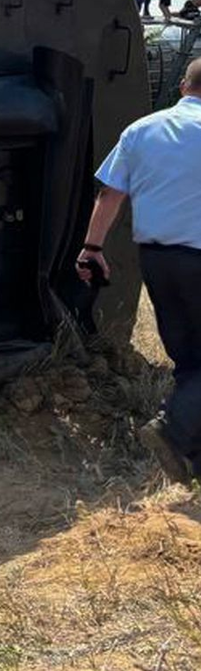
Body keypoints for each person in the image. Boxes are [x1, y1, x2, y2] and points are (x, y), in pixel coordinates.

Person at [76, 58, 201, 484]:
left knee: (189, 359)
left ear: (183, 85)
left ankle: (194, 461)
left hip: (158, 260)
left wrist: (92, 247)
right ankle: (172, 429)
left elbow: (110, 195)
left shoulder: (141, 130)